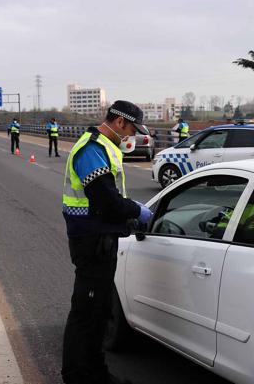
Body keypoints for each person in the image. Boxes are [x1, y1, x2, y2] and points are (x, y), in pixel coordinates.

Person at [61, 100, 153, 384]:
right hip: (91, 240)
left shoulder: (103, 147)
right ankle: (80, 376)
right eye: (131, 130)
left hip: (99, 236)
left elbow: (106, 202)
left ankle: (95, 372)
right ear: (119, 122)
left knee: (98, 311)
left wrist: (125, 218)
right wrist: (136, 211)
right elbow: (105, 200)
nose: (131, 137)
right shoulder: (93, 149)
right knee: (87, 312)